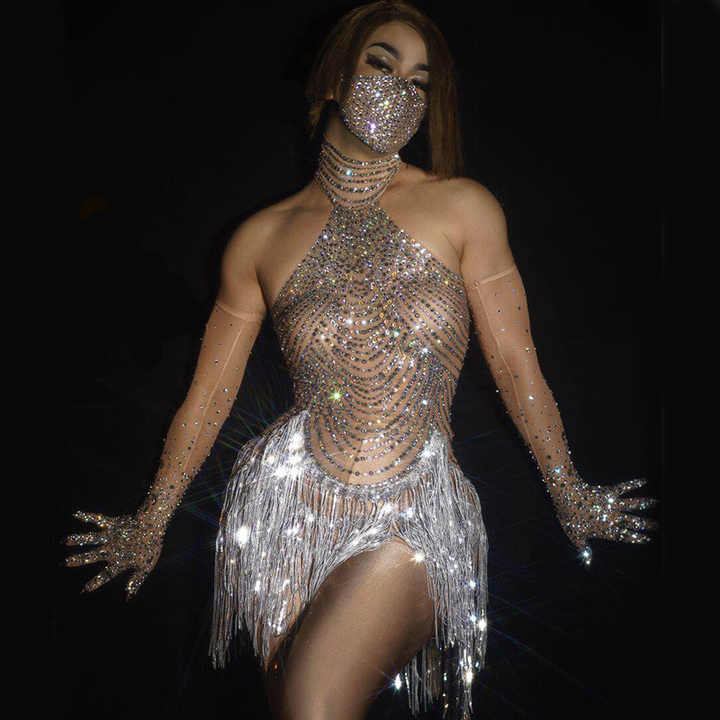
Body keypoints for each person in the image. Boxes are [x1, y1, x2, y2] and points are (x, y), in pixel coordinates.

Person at [61, 2, 659, 719]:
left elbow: (514, 363)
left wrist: (568, 489)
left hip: (415, 506)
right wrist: (153, 518)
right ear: (334, 77)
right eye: (381, 64)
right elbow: (209, 397)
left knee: (313, 703)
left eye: (419, 82)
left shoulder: (463, 208)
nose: (400, 91)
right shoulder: (260, 238)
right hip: (287, 510)